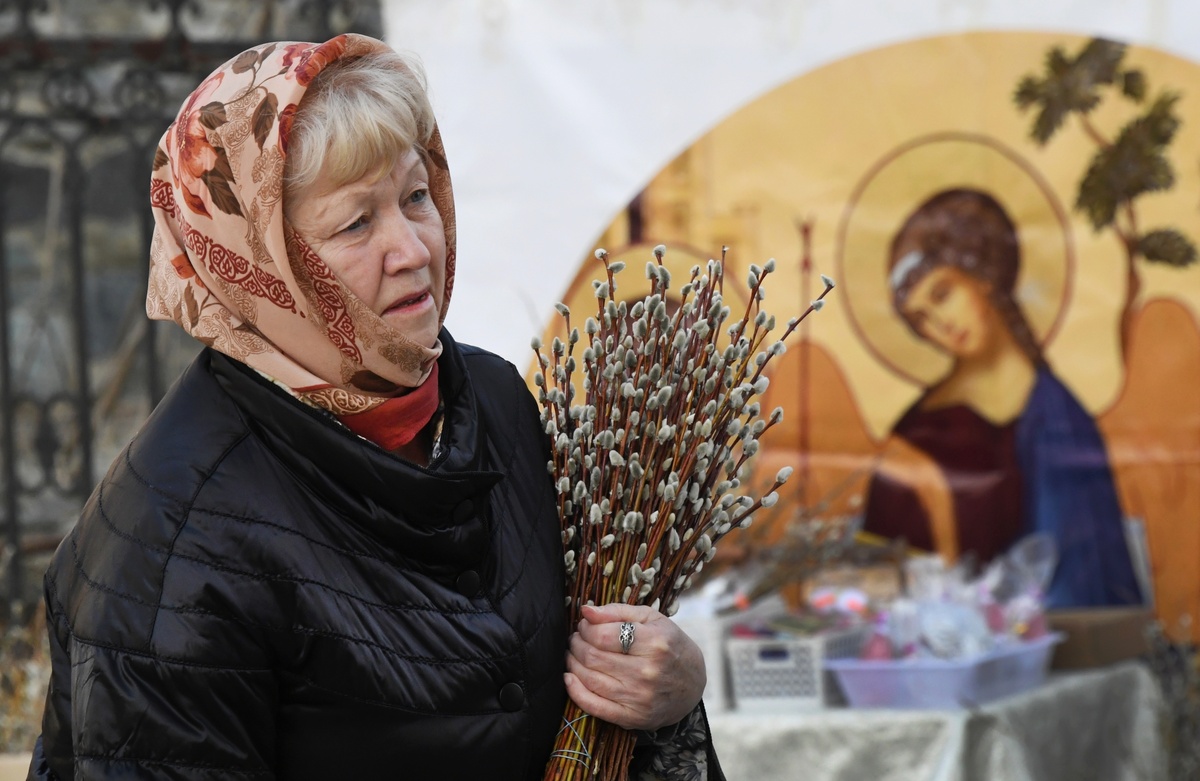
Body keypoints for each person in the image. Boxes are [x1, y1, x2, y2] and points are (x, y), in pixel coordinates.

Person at [29, 35, 720, 781]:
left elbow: (570, 704)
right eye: (357, 223)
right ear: (266, 263)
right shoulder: (176, 544)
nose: (414, 248)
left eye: (416, 196)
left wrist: (668, 697)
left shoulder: (492, 403)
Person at [862, 188, 1142, 608]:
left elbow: (1095, 576)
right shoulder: (916, 435)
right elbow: (880, 578)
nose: (941, 323)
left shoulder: (1061, 416)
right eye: (921, 317)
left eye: (943, 294)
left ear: (984, 276)